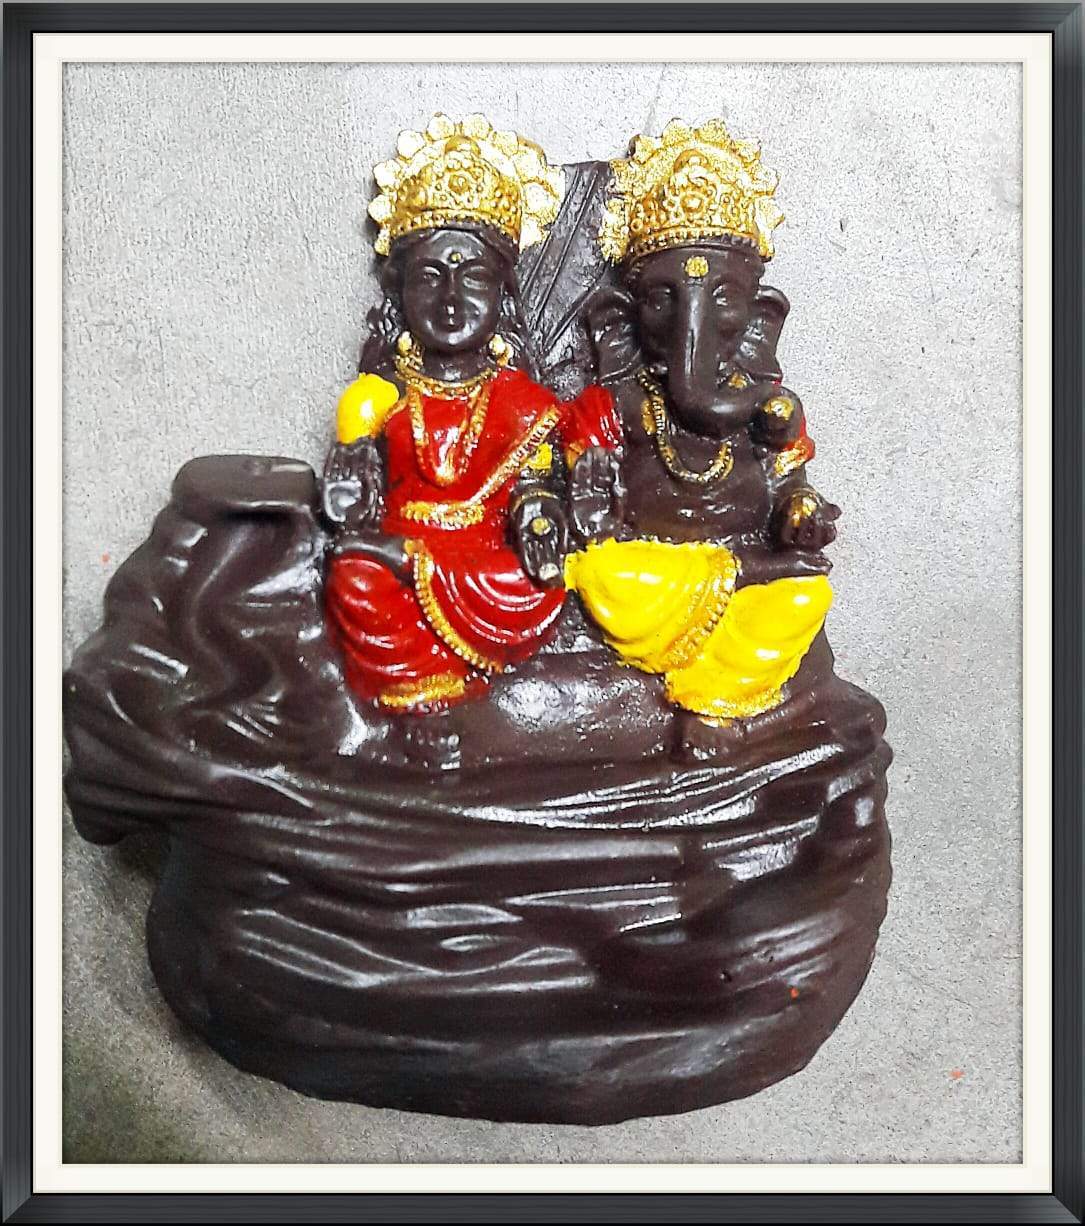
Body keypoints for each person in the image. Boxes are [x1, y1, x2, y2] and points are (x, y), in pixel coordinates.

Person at [323, 114, 620, 721]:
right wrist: (351, 485)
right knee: (354, 574)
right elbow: (355, 504)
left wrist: (538, 517)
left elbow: (533, 486)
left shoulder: (524, 402)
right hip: (397, 549)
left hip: (488, 560)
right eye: (430, 277)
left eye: (474, 277)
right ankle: (424, 692)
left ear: (504, 293)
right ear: (400, 292)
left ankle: (449, 682)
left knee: (539, 581)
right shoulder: (380, 398)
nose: (452, 300)